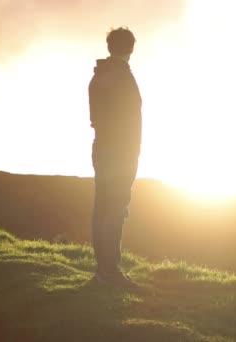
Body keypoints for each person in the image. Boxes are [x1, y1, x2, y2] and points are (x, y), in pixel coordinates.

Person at [88, 27, 142, 288]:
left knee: (103, 208)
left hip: (102, 149)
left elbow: (97, 119)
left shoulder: (98, 77)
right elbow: (129, 121)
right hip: (120, 153)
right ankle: (110, 271)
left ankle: (104, 269)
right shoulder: (122, 78)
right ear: (131, 49)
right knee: (115, 209)